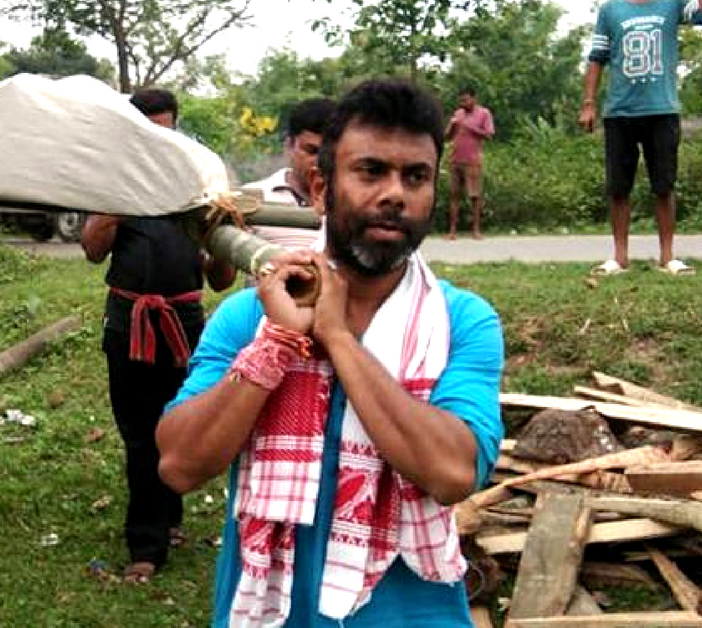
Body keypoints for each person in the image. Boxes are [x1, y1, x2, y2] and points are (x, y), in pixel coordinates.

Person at [157, 79, 504, 627]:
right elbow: (178, 465)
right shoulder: (251, 317)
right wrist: (275, 345)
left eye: (416, 177)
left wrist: (337, 336)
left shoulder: (462, 322)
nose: (395, 193)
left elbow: (452, 471)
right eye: (370, 172)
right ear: (321, 189)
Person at [80, 87, 236, 583]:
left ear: (174, 127)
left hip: (186, 325)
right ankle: (145, 545)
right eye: (148, 130)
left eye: (164, 129)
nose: (158, 139)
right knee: (141, 437)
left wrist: (228, 232)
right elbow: (90, 249)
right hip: (128, 325)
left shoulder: (200, 180)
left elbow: (220, 279)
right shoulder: (114, 177)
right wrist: (117, 209)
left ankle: (169, 517)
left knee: (180, 424)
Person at [580, 0, 702, 275]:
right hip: (620, 111)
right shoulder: (610, 10)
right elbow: (597, 57)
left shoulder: (673, 4)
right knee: (618, 187)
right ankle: (620, 258)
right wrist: (588, 103)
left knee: (664, 185)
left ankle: (667, 257)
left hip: (662, 109)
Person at [242, 97, 336, 250]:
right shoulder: (252, 198)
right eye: (312, 151)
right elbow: (221, 271)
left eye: (329, 153)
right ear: (289, 146)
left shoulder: (353, 203)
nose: (320, 161)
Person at [445, 87, 494, 240]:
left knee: (474, 196)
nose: (463, 103)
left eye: (466, 100)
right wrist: (452, 126)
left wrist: (469, 126)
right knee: (454, 195)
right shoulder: (458, 114)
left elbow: (489, 135)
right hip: (455, 160)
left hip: (473, 161)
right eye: (461, 100)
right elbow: (447, 137)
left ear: (474, 99)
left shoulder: (484, 113)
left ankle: (476, 230)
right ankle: (452, 231)